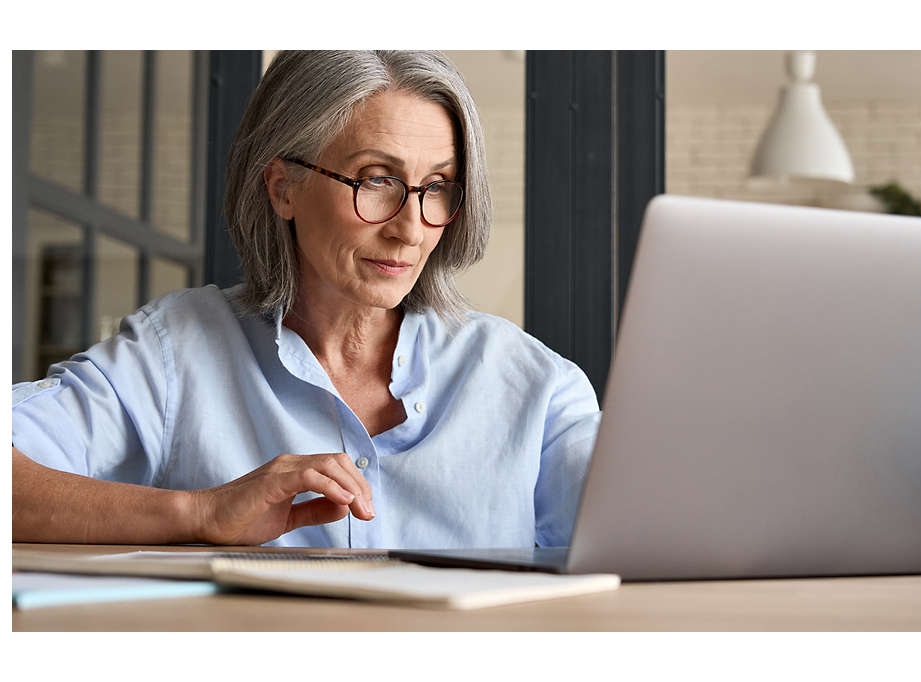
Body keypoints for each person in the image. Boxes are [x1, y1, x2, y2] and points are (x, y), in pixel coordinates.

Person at [12, 50, 601, 549]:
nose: (411, 229)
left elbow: (657, 529)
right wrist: (200, 514)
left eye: (437, 189)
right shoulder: (174, 354)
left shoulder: (536, 386)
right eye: (376, 180)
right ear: (283, 187)